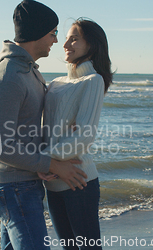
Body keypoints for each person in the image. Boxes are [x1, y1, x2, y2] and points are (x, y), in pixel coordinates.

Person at [0, 1, 89, 249]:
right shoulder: (8, 77)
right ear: (37, 33)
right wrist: (53, 164)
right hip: (13, 187)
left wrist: (62, 133)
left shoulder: (30, 72)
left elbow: (24, 129)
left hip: (24, 183)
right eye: (53, 33)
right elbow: (1, 147)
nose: (55, 41)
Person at [39, 18, 113, 249]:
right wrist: (43, 162)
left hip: (80, 181)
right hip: (53, 183)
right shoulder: (55, 83)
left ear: (92, 44)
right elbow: (43, 128)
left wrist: (45, 161)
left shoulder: (93, 81)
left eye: (74, 38)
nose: (65, 44)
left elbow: (84, 136)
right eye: (66, 38)